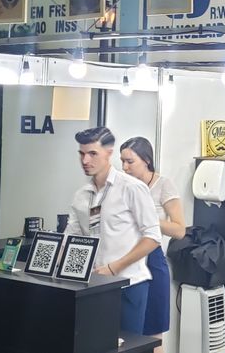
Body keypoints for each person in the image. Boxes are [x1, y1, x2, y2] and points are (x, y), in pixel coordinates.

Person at [66, 127, 161, 336]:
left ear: (108, 153)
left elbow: (153, 237)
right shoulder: (82, 195)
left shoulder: (132, 187)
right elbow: (70, 238)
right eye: (82, 153)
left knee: (126, 346)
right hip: (92, 286)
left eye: (93, 153)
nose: (85, 160)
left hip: (128, 285)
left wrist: (114, 267)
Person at [120, 137, 186, 351]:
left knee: (153, 335)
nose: (124, 167)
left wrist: (147, 219)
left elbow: (179, 230)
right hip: (126, 260)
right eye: (122, 161)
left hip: (152, 261)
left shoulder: (163, 185)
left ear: (146, 160)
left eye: (130, 161)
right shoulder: (122, 186)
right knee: (126, 335)